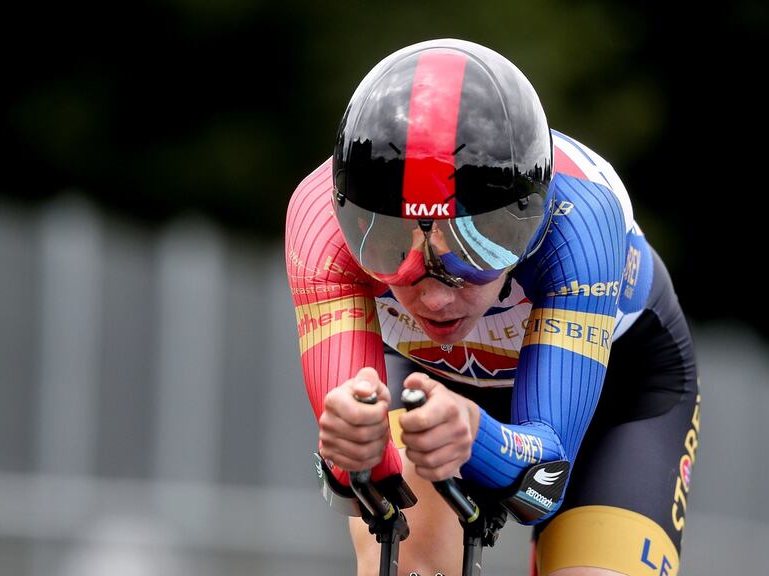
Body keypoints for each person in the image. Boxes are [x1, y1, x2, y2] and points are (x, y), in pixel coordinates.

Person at [286, 38, 699, 576]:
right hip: (434, 392)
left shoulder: (580, 225)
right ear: (352, 217)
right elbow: (357, 487)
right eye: (391, 249)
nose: (432, 295)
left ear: (529, 222)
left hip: (621, 399)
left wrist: (477, 434)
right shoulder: (321, 225)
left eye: (477, 247)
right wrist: (352, 455)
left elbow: (542, 480)